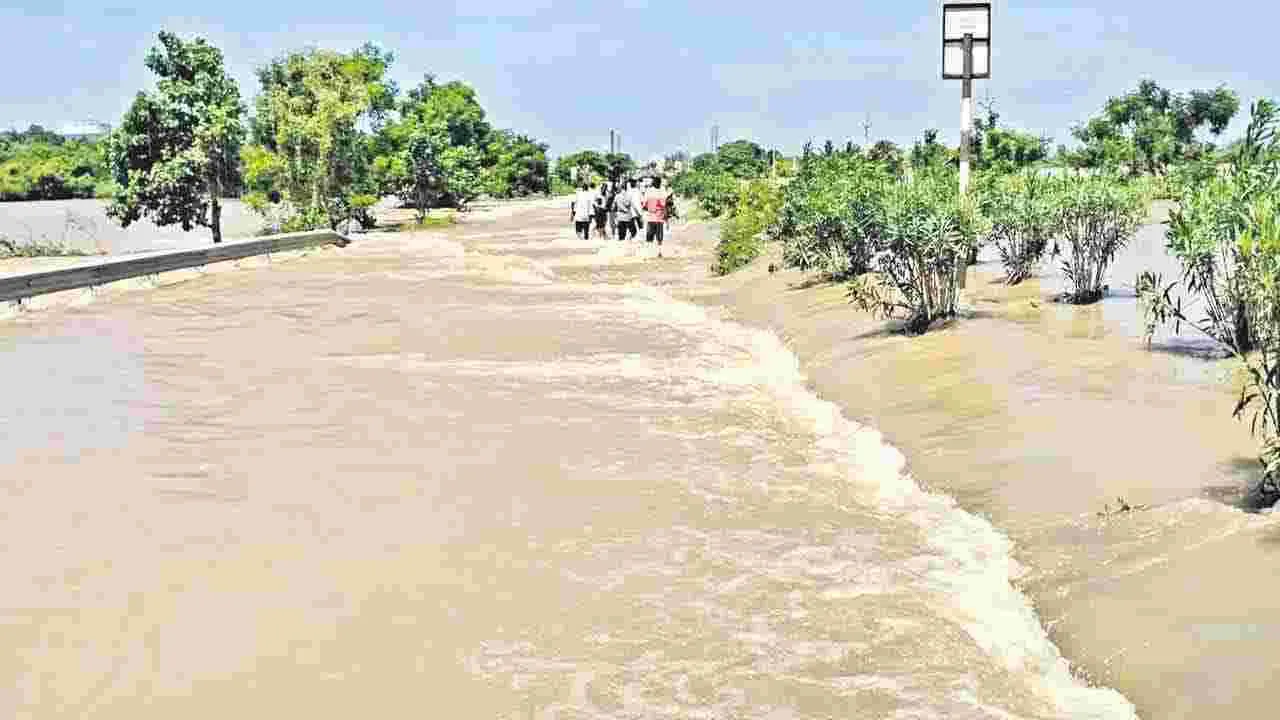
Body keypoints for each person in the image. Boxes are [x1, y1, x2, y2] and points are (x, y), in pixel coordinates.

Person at [642, 176, 675, 257]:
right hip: (658, 217)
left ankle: (651, 252)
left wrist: (650, 208)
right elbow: (666, 206)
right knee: (659, 237)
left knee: (650, 236)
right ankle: (658, 252)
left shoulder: (649, 191)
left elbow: (644, 205)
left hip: (652, 217)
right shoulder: (662, 192)